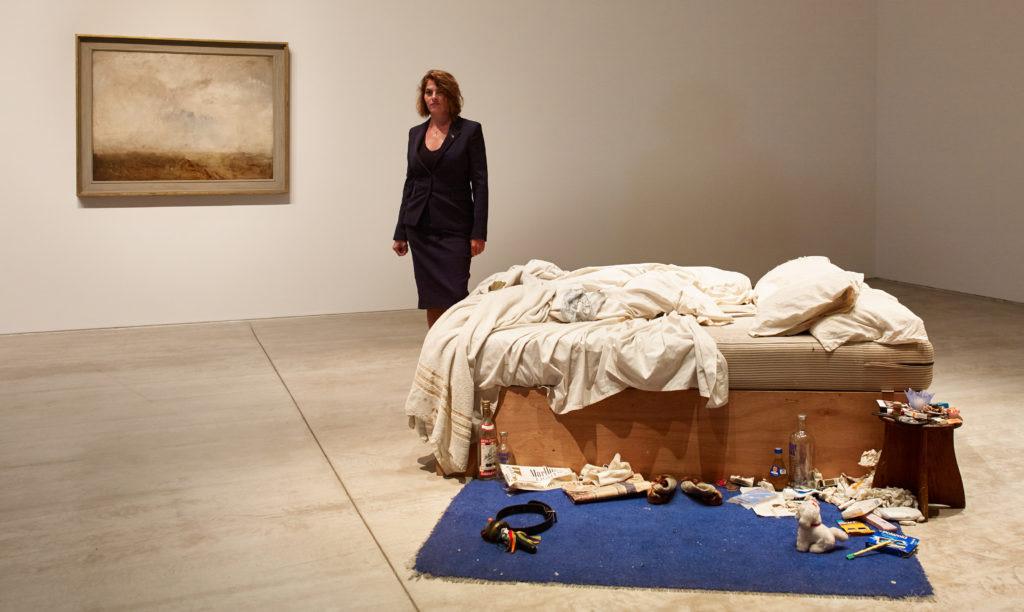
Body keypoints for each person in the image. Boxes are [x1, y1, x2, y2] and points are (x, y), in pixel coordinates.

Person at [392, 70, 488, 328]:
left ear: (450, 95)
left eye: (439, 91)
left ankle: (457, 347)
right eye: (428, 92)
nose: (433, 97)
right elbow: (410, 183)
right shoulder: (415, 134)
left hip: (455, 227)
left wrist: (478, 232)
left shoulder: (470, 131)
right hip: (420, 228)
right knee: (432, 298)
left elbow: (480, 184)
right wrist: (400, 231)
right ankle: (436, 349)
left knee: (455, 296)